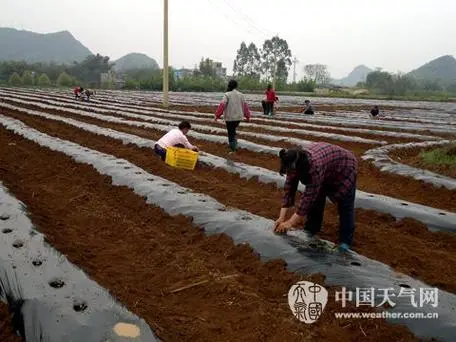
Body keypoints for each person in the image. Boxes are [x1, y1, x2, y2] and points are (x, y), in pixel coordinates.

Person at [273, 143, 358, 252]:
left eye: (292, 172)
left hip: (345, 167)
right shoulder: (292, 162)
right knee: (317, 198)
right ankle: (311, 229)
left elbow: (308, 199)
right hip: (327, 165)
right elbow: (288, 189)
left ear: (300, 168)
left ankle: (345, 241)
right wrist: (281, 217)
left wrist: (290, 223)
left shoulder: (314, 168)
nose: (291, 175)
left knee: (345, 205)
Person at [215, 79, 251, 153]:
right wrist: (247, 116)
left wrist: (217, 115)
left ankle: (233, 148)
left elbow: (222, 105)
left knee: (230, 132)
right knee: (233, 130)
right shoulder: (241, 95)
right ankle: (234, 144)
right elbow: (245, 107)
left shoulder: (227, 94)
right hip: (238, 117)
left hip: (229, 117)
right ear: (236, 86)